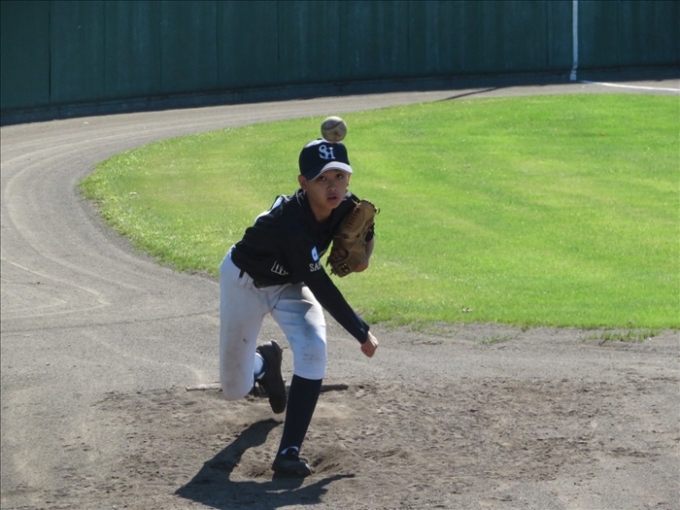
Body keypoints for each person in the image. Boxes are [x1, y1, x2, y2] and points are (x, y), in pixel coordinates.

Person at [219, 137, 379, 477]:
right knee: (235, 389)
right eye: (322, 179)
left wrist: (363, 258)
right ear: (303, 183)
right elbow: (321, 286)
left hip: (291, 284)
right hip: (244, 283)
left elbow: (368, 236)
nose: (332, 186)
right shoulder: (291, 224)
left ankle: (288, 453)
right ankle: (265, 363)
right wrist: (360, 331)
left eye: (339, 176)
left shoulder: (348, 207)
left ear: (349, 178)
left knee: (313, 347)